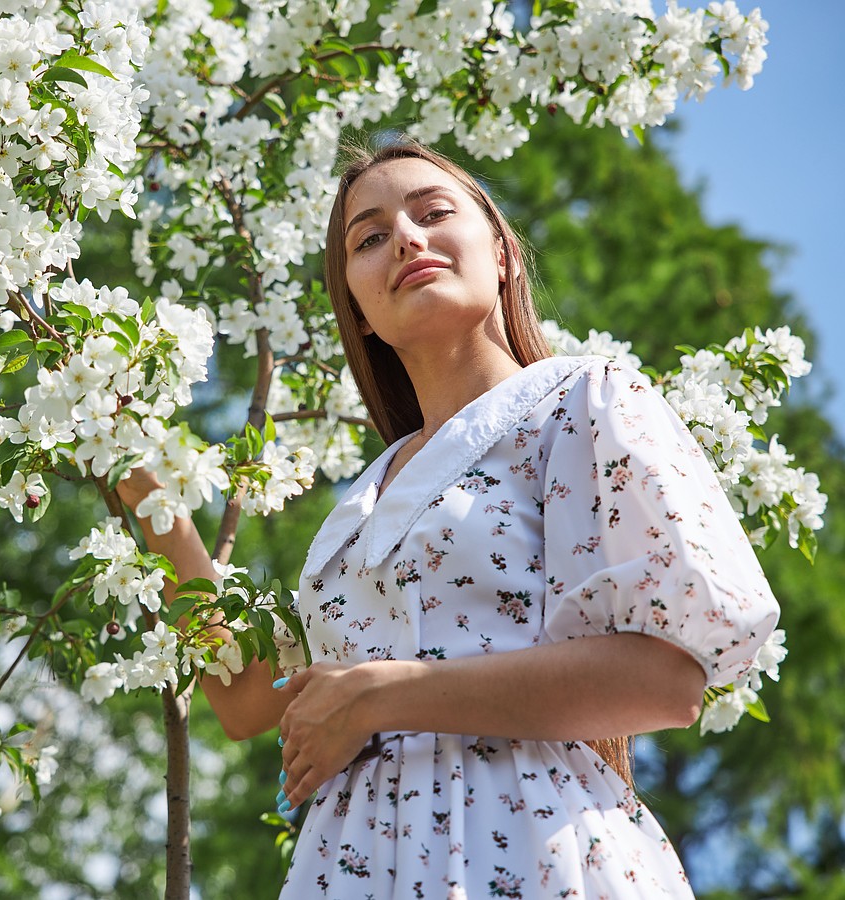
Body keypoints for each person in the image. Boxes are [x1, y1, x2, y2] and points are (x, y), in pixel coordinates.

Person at [115, 139, 779, 898]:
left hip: (535, 850)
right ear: (358, 312)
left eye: (432, 213)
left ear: (502, 254)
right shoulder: (355, 515)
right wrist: (148, 490)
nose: (405, 237)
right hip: (354, 870)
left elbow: (666, 677)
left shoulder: (584, 401)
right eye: (369, 238)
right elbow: (245, 698)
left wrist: (383, 695)